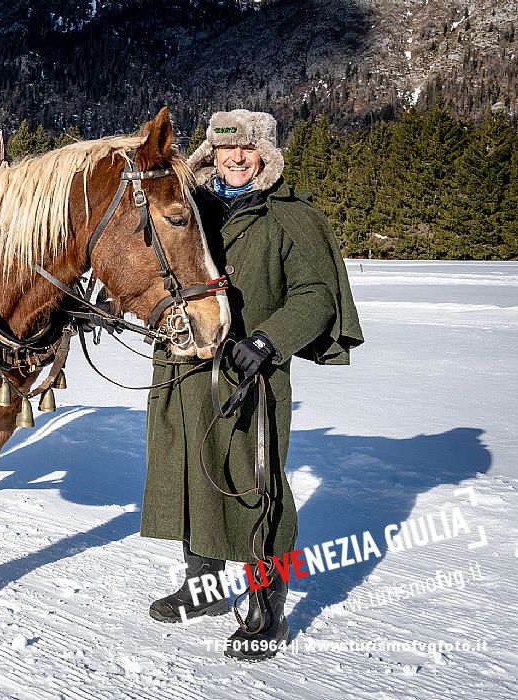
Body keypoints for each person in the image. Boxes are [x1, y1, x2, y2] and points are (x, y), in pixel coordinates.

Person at [141, 109, 364, 661]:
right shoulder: (189, 209)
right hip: (186, 366)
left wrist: (268, 340)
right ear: (209, 155)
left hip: (251, 373)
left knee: (259, 485)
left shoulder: (289, 215)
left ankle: (269, 604)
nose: (236, 159)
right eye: (225, 150)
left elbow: (316, 294)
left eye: (246, 149)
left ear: (263, 153)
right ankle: (205, 586)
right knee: (194, 472)